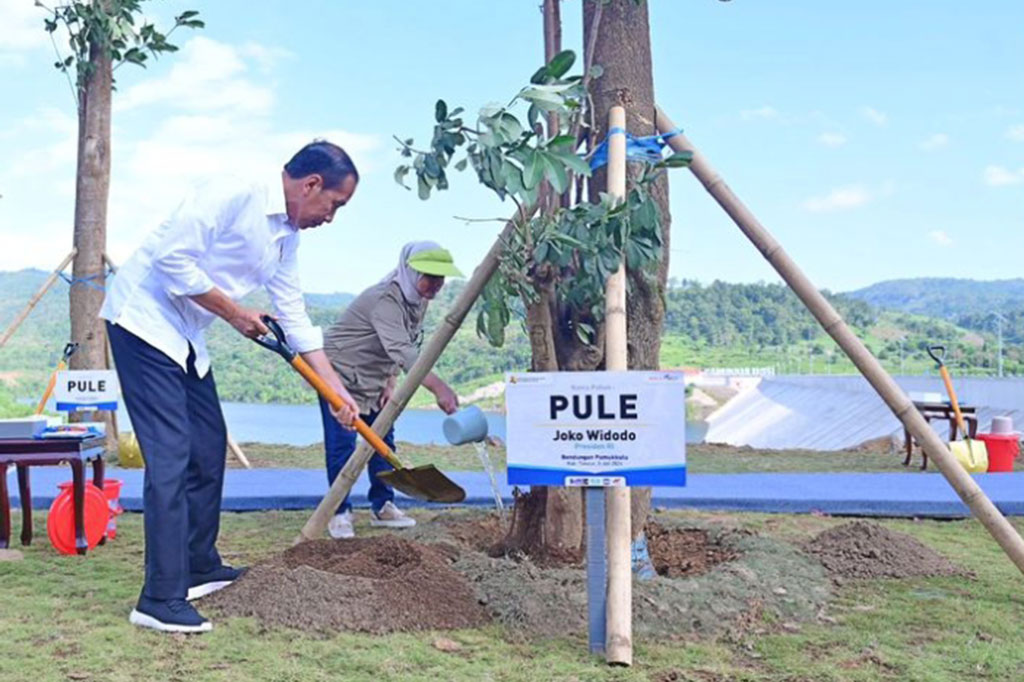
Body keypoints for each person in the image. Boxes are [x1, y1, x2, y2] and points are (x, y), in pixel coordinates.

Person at [101, 140, 361, 633]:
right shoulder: (233, 191)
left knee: (206, 446)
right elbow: (172, 262)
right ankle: (159, 597)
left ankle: (198, 566)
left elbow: (295, 315)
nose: (331, 217)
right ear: (311, 185)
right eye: (334, 204)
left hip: (187, 333)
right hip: (143, 320)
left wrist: (334, 388)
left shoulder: (288, 237)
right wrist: (237, 314)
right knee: (171, 454)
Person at [321, 241, 462, 539]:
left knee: (384, 440)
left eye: (441, 278)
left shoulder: (417, 299)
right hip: (340, 375)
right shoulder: (385, 299)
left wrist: (391, 380)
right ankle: (339, 512)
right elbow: (403, 350)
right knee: (343, 446)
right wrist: (439, 388)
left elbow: (403, 343)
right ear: (410, 271)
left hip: (376, 378)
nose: (436, 285)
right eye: (429, 276)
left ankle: (383, 505)